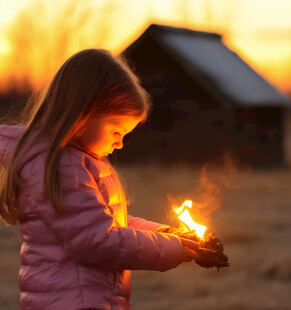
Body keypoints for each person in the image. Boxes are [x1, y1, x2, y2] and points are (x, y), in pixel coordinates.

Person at [0, 49, 202, 310]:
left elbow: (101, 222)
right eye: (117, 130)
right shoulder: (64, 167)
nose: (119, 143)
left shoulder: (76, 161)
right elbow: (97, 240)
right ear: (85, 114)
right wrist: (171, 248)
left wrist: (164, 233)